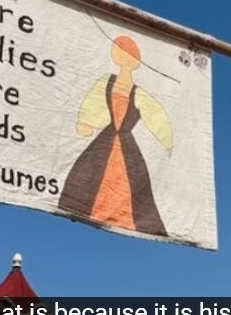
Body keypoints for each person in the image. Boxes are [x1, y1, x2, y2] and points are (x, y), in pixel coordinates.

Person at [59, 35, 173, 236]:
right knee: (88, 177)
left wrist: (167, 142)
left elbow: (156, 116)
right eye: (119, 50)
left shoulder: (139, 93)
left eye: (126, 52)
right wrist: (86, 123)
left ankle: (129, 219)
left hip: (126, 143)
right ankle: (83, 208)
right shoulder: (107, 82)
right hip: (106, 138)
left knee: (132, 185)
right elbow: (93, 101)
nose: (121, 55)